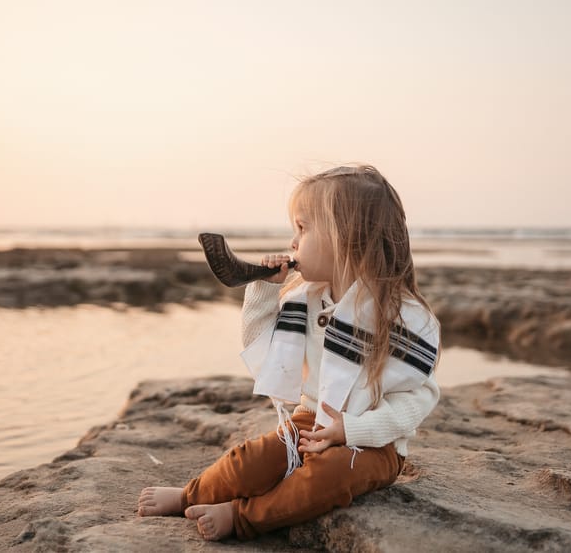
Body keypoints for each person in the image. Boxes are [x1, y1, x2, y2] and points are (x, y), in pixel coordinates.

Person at [137, 164, 441, 541]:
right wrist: (264, 289)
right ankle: (191, 494)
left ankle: (243, 515)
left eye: (302, 228)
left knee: (327, 478)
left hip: (371, 445)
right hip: (308, 422)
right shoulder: (308, 299)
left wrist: (351, 429)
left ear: (347, 237)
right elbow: (260, 345)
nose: (292, 242)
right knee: (251, 459)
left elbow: (418, 399)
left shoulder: (401, 317)